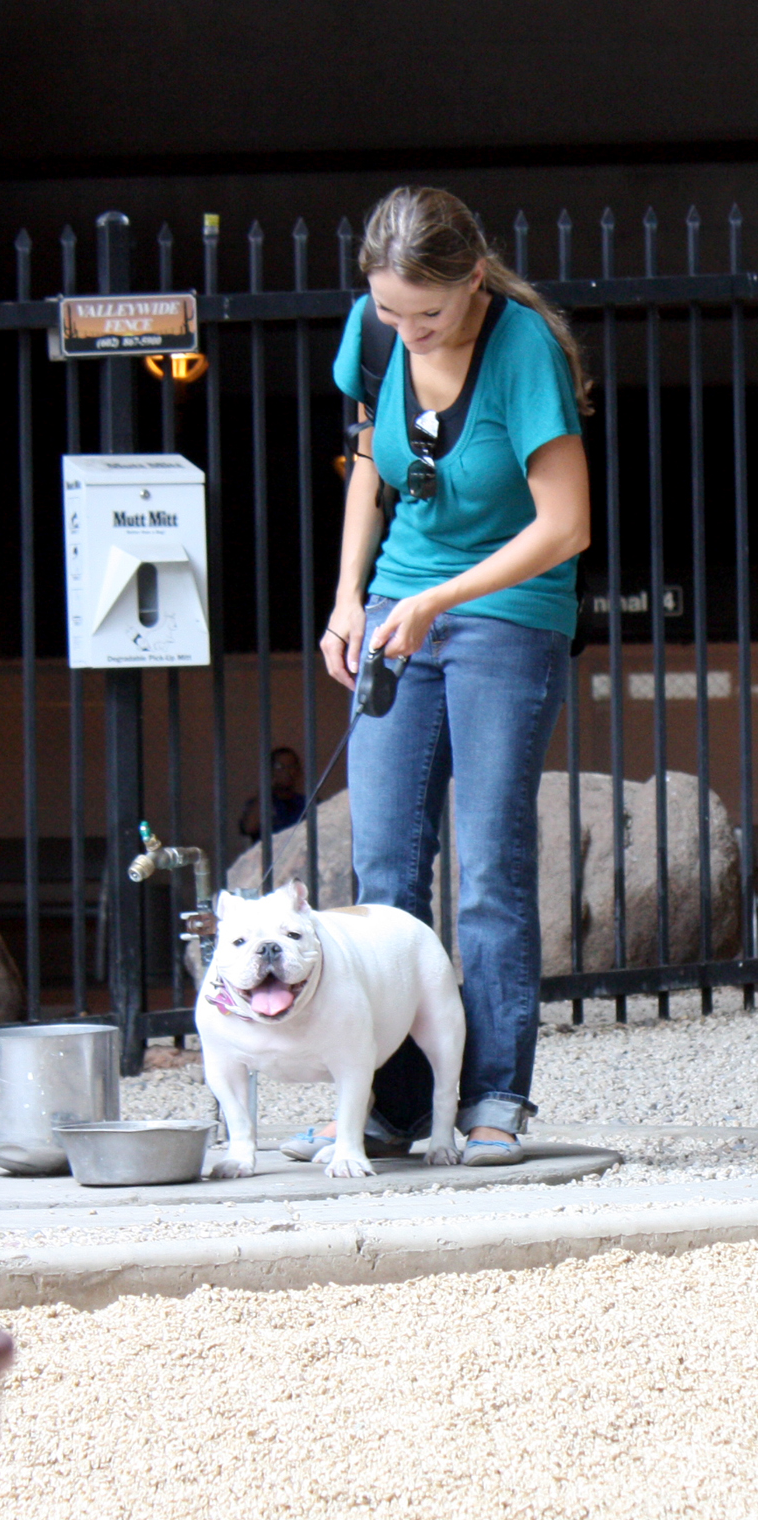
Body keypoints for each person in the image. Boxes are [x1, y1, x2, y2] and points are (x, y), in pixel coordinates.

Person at [283, 186, 591, 1169]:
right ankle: (387, 1107)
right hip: (398, 603)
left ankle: (494, 1097)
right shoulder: (373, 336)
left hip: (508, 609)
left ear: (471, 278)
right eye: (388, 311)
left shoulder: (524, 350)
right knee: (383, 867)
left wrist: (438, 600)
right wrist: (350, 601)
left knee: (491, 868)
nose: (406, 331)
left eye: (427, 313)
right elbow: (368, 469)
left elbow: (564, 527)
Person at [239, 746, 307, 843]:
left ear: (298, 770)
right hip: (270, 855)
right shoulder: (261, 803)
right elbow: (248, 828)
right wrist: (267, 790)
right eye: (280, 767)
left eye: (291, 766)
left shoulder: (306, 803)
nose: (287, 771)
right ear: (270, 771)